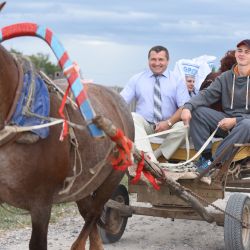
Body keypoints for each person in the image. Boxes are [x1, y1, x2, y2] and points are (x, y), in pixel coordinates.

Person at [181, 39, 250, 172]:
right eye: (239, 51)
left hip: (245, 125)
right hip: (227, 121)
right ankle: (205, 158)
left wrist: (236, 120)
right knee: (198, 112)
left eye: (247, 52)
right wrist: (187, 107)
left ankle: (214, 163)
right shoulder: (225, 77)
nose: (242, 54)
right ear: (235, 54)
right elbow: (206, 95)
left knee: (246, 124)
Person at [120, 45, 190, 162]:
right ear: (149, 60)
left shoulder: (177, 80)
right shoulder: (137, 79)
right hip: (145, 126)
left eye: (160, 59)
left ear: (167, 61)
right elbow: (120, 101)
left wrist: (168, 123)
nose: (157, 63)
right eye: (153, 59)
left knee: (185, 127)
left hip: (169, 126)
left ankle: (156, 157)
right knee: (132, 117)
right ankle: (149, 158)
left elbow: (184, 106)